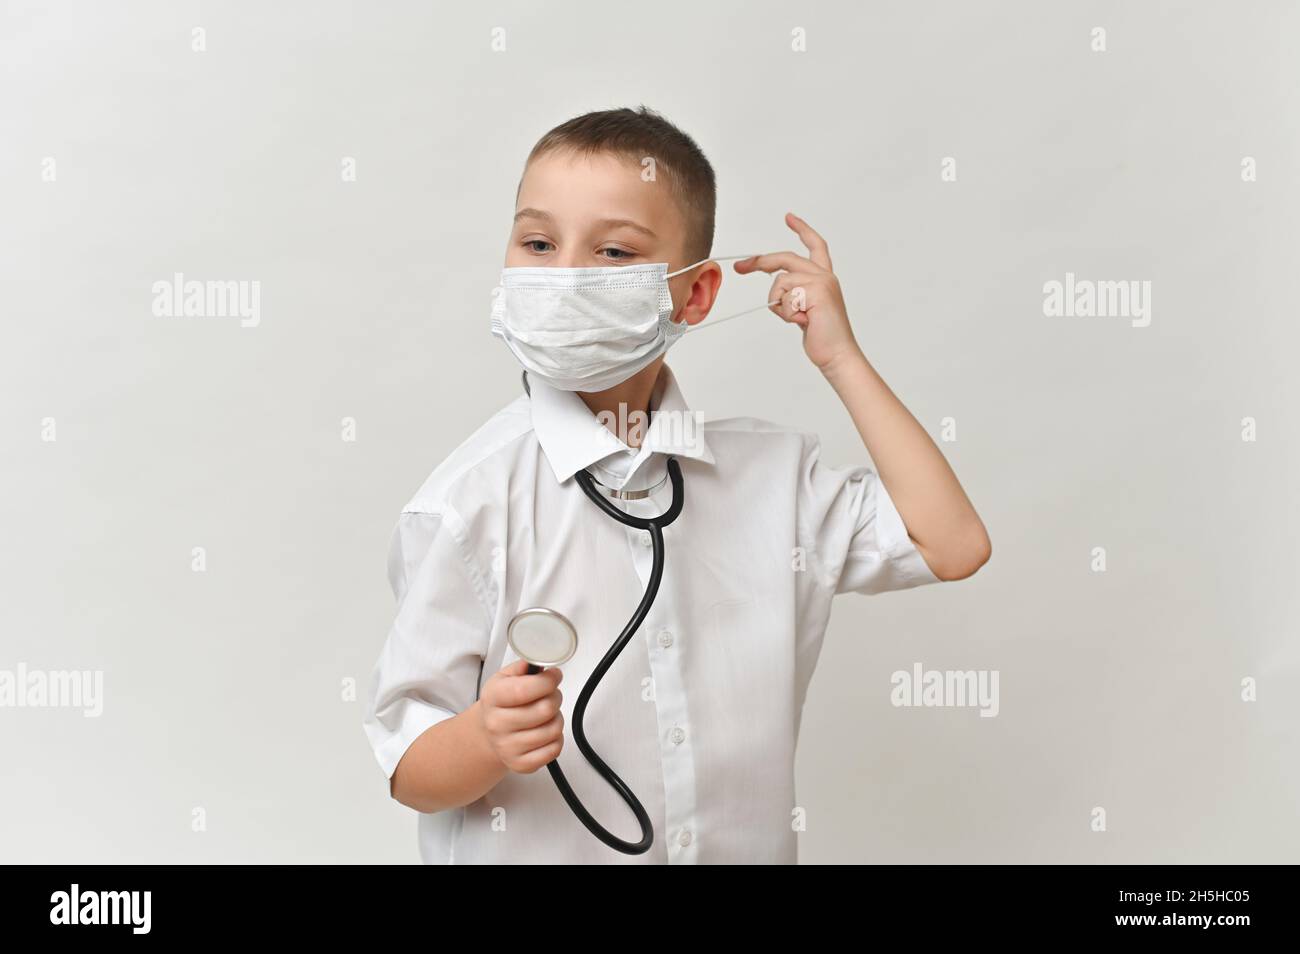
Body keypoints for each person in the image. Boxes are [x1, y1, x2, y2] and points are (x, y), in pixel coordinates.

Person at [362, 105, 991, 864]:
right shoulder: (466, 504)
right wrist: (484, 739)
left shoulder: (773, 480)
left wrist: (841, 361)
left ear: (693, 296)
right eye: (537, 242)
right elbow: (409, 769)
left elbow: (952, 544)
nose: (564, 278)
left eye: (614, 251)